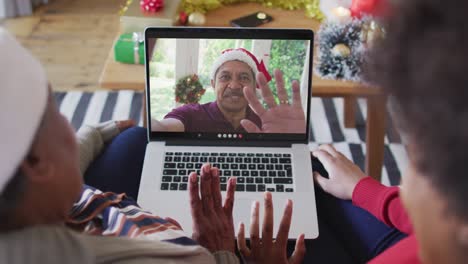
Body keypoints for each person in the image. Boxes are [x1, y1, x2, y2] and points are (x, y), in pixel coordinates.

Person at [236, 0, 468, 263]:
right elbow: (422, 213)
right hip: (408, 237)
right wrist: (363, 189)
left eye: (421, 166)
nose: (405, 184)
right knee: (312, 168)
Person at [151, 48, 307, 134]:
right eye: (225, 77)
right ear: (213, 84)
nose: (234, 86)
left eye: (244, 78)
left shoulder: (267, 123)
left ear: (254, 87)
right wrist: (149, 125)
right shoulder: (189, 114)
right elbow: (163, 129)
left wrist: (293, 139)